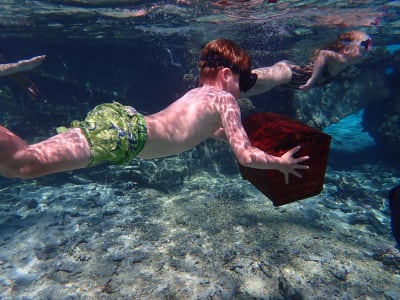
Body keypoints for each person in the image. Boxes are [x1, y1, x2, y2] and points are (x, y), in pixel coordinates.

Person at [0, 39, 309, 185]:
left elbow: (207, 134)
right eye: (243, 83)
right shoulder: (225, 100)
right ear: (228, 75)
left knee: (20, 163)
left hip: (121, 127)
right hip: (125, 137)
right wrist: (279, 163)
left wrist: (240, 138)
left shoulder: (198, 94)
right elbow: (245, 156)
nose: (242, 92)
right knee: (24, 164)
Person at [242, 30, 372, 96]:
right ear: (347, 49)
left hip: (290, 79)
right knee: (249, 79)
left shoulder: (346, 64)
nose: (369, 48)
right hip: (291, 73)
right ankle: (231, 77)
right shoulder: (341, 59)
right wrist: (313, 79)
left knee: (254, 88)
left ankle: (234, 92)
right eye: (366, 44)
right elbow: (324, 54)